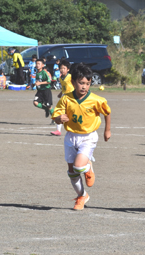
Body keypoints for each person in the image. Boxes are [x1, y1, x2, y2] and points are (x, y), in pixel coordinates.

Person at [52, 63, 111, 210]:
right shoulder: (66, 99)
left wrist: (107, 131)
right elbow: (56, 114)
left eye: (88, 83)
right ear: (73, 82)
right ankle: (82, 196)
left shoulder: (96, 100)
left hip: (88, 137)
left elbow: (107, 112)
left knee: (78, 167)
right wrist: (59, 119)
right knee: (72, 172)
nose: (84, 86)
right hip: (71, 137)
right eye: (81, 83)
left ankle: (87, 167)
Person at [51, 59, 73, 136]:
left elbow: (75, 85)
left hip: (71, 97)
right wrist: (61, 93)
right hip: (64, 97)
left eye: (64, 68)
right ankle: (58, 130)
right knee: (59, 112)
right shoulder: (61, 78)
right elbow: (64, 87)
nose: (62, 70)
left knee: (72, 113)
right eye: (61, 68)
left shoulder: (70, 77)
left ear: (68, 69)